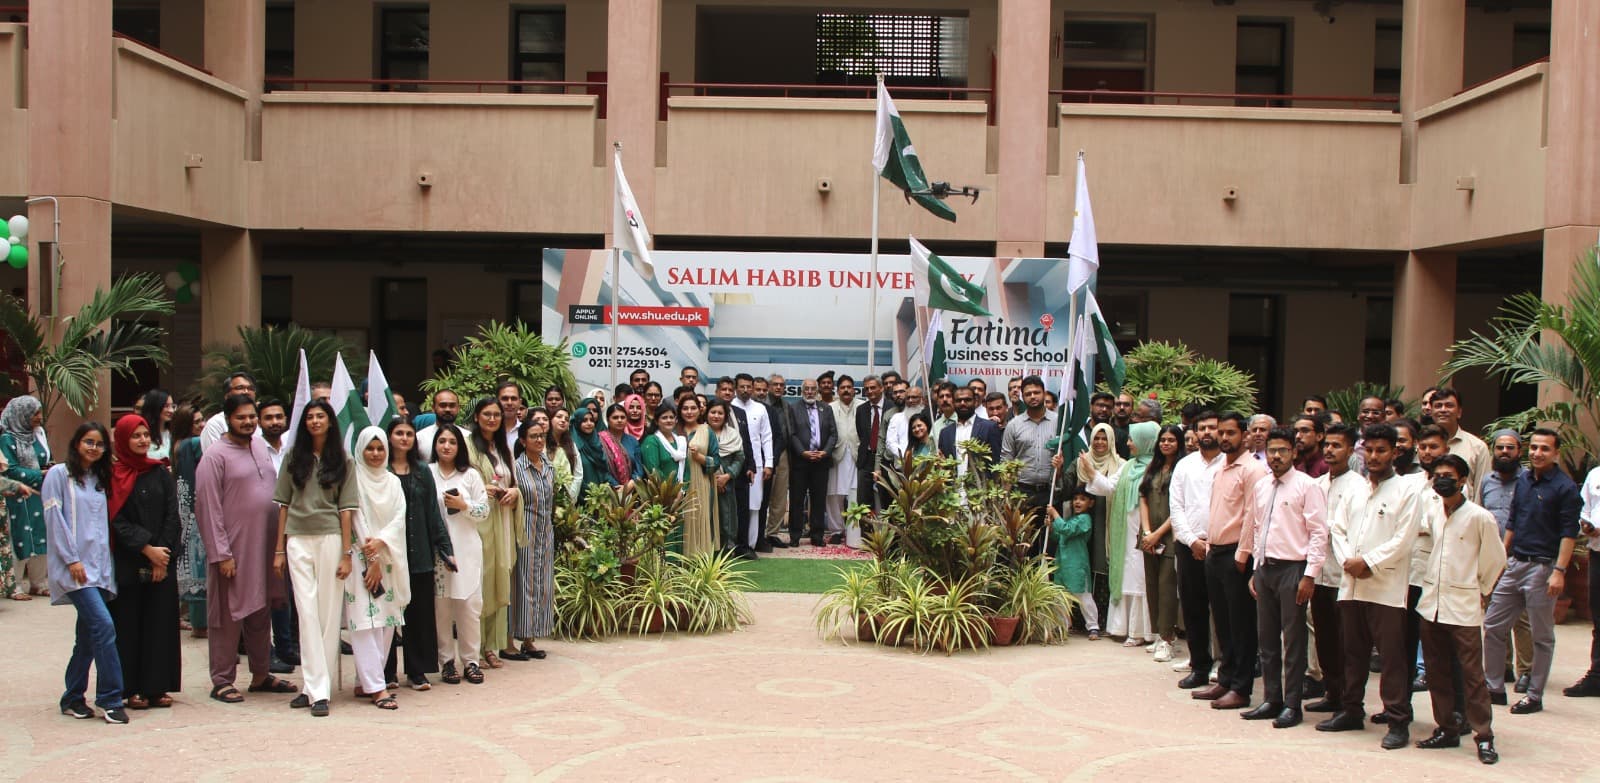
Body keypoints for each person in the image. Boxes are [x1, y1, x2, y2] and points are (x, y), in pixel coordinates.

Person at [1318, 423, 1423, 750]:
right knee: (1352, 652)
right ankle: (1351, 710)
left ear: (1394, 452)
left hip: (1386, 588)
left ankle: (1397, 721)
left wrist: (1368, 562)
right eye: (1370, 450)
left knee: (1392, 658)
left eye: (1381, 451)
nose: (1374, 457)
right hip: (1351, 584)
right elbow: (1338, 529)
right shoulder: (1355, 490)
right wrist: (1349, 561)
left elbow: (1404, 540)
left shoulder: (1407, 491)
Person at [196, 394, 296, 703]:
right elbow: (208, 508)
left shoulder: (259, 447)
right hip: (234, 551)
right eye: (241, 417)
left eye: (252, 416)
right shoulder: (214, 456)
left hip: (265, 547)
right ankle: (222, 679)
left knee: (260, 611)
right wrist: (221, 553)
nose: (249, 422)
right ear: (228, 419)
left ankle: (261, 674)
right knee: (228, 615)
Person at [1412, 454, 1503, 764]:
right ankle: (1447, 728)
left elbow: (1495, 560)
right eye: (1437, 475)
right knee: (1436, 671)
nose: (1442, 480)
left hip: (1463, 606)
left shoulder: (1480, 517)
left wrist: (1481, 589)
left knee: (1472, 675)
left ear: (1463, 480)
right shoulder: (1434, 512)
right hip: (1432, 605)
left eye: (1448, 475)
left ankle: (1484, 735)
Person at [1235, 427, 1327, 729]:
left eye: (1283, 450)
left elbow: (1318, 533)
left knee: (1294, 640)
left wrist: (1310, 575)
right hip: (1266, 569)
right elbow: (1258, 527)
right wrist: (1255, 568)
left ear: (1294, 453)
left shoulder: (1307, 486)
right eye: (1272, 450)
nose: (1276, 456)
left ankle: (1292, 704)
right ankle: (1271, 699)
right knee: (1267, 639)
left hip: (1293, 569)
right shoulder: (1262, 486)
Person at [1482, 427, 1578, 715]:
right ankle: (1493, 687)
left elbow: (1569, 533)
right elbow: (1513, 521)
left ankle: (1534, 695)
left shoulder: (1564, 488)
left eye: (1545, 448)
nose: (1538, 453)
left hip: (1543, 567)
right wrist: (1501, 559)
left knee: (1541, 635)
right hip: (1514, 563)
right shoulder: (1523, 479)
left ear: (1556, 453)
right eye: (1534, 447)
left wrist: (1559, 571)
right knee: (1493, 625)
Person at [272, 400, 358, 718]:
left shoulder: (344, 460)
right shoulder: (293, 458)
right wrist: (279, 550)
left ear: (330, 421)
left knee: (328, 613)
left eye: (320, 416)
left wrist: (347, 554)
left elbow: (346, 511)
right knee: (306, 613)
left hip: (331, 538)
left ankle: (318, 689)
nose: (315, 421)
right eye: (309, 417)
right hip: (297, 539)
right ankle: (314, 688)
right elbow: (283, 504)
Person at [46, 422, 127, 724]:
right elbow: (55, 519)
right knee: (104, 627)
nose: (94, 448)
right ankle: (110, 698)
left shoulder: (101, 479)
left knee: (88, 637)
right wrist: (71, 559)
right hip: (76, 570)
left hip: (101, 568)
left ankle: (72, 697)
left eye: (100, 444)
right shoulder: (59, 475)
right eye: (88, 442)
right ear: (77, 443)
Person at [1192, 412, 1268, 712]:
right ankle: (1225, 679)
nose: (1224, 437)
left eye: (1230, 433)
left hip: (1237, 554)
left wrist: (1243, 554)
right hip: (1216, 551)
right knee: (1222, 623)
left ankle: (1241, 687)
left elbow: (1252, 514)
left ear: (1245, 436)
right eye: (1221, 432)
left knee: (1241, 625)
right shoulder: (1221, 468)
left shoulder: (1252, 470)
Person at [107, 413, 183, 711]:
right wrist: (146, 548)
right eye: (135, 436)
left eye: (145, 435)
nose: (141, 440)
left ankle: (157, 686)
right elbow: (115, 519)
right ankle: (132, 688)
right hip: (129, 561)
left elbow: (172, 515)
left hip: (162, 561)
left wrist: (161, 556)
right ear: (122, 440)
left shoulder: (160, 472)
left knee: (160, 623)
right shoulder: (114, 476)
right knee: (129, 624)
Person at [382, 418, 455, 691]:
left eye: (409, 434)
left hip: (420, 552)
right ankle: (386, 672)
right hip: (389, 554)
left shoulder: (422, 470)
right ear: (389, 437)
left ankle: (417, 671)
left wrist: (446, 550)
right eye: (398, 433)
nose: (404, 438)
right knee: (388, 615)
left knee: (419, 614)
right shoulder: (381, 469)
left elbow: (433, 513)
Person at [342, 426, 408, 711]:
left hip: (389, 556)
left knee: (386, 621)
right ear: (360, 449)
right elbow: (355, 518)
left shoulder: (392, 481)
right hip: (361, 558)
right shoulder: (353, 479)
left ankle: (366, 680)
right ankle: (377, 687)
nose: (375, 453)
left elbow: (399, 516)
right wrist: (372, 557)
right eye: (370, 448)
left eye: (380, 448)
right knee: (364, 621)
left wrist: (382, 545)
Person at [1081, 422, 1159, 648]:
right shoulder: (1128, 467)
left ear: (1145, 441)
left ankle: (1146, 631)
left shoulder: (1157, 468)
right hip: (1125, 532)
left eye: (1133, 439)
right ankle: (1125, 629)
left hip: (1150, 532)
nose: (1129, 443)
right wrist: (1090, 470)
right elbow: (1108, 487)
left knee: (1144, 579)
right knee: (1128, 576)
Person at [1307, 423, 1366, 715]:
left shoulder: (1359, 486)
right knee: (1325, 637)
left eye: (1337, 445)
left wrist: (1325, 529)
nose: (1329, 450)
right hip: (1319, 573)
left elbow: (1354, 529)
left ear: (1351, 450)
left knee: (1347, 642)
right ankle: (1331, 692)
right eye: (1327, 445)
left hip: (1344, 575)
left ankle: (1350, 702)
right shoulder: (1317, 484)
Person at [463, 397, 524, 668]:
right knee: (483, 580)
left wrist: (515, 492)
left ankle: (492, 646)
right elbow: (460, 481)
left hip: (503, 520)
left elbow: (513, 481)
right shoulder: (467, 447)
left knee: (500, 577)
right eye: (486, 414)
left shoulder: (502, 448)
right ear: (477, 417)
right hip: (480, 523)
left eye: (496, 415)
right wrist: (481, 489)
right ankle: (474, 649)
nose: (492, 419)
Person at [430, 424, 489, 685]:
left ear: (460, 447)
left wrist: (463, 505)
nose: (446, 446)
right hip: (438, 552)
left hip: (467, 550)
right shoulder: (427, 472)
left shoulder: (471, 476)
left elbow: (484, 511)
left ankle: (471, 661)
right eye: (442, 441)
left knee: (469, 608)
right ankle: (446, 662)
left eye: (452, 442)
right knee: (441, 608)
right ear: (435, 445)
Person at [1169, 411, 1223, 684]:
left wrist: (1213, 541)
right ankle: (1199, 666)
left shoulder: (1230, 464)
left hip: (1221, 547)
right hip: (1189, 546)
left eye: (1212, 427)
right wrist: (1192, 540)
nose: (1207, 432)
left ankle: (1224, 665)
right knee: (1193, 608)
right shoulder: (1185, 465)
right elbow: (1176, 507)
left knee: (1223, 609)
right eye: (1202, 428)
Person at [1138, 424, 1185, 662]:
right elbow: (1143, 498)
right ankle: (1159, 634)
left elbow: (1179, 508)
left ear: (1179, 443)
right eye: (1163, 440)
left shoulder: (1182, 469)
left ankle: (1168, 639)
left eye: (1171, 440)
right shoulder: (1153, 467)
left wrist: (1157, 534)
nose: (1166, 444)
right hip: (1149, 536)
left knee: (1167, 587)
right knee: (1152, 586)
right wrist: (1147, 531)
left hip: (1169, 536)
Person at [512, 423, 556, 660]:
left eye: (542, 436)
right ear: (523, 441)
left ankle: (530, 640)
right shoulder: (517, 467)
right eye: (533, 436)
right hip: (525, 530)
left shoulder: (549, 466)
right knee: (524, 583)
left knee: (542, 583)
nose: (539, 440)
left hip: (545, 532)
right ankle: (516, 635)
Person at [2, 394, 50, 598]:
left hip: (38, 494)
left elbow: (44, 460)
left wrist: (48, 471)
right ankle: (15, 586)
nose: (39, 417)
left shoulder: (38, 435)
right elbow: (10, 470)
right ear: (21, 414)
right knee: (19, 536)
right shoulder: (7, 439)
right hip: (15, 495)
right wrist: (40, 474)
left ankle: (38, 583)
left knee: (40, 534)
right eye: (34, 413)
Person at [999, 376, 1061, 525]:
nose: (1033, 396)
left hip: (1050, 492)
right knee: (1024, 538)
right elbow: (1006, 461)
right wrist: (1005, 497)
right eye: (1028, 394)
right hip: (1022, 493)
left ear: (1044, 393)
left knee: (1049, 536)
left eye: (1036, 392)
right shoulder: (1013, 425)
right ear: (1023, 396)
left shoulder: (1059, 422)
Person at [786, 378, 836, 548]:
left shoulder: (826, 408)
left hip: (821, 462)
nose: (809, 392)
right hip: (800, 462)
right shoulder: (793, 408)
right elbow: (791, 434)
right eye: (806, 389)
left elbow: (833, 434)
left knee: (819, 501)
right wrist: (803, 452)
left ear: (817, 391)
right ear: (802, 391)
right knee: (797, 500)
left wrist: (825, 452)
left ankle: (817, 536)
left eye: (813, 389)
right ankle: (795, 536)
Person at [690, 399, 743, 551]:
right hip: (704, 480)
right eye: (713, 412)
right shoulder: (699, 432)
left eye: (720, 413)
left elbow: (740, 458)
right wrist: (714, 478)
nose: (716, 416)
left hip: (726, 484)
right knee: (707, 516)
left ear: (726, 416)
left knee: (727, 517)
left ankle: (727, 551)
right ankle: (707, 552)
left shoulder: (733, 434)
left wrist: (727, 476)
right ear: (706, 413)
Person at [1052, 491, 1101, 640]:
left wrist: (1055, 515)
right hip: (1063, 563)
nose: (1077, 502)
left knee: (1083, 595)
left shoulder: (1085, 519)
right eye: (1075, 499)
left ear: (1091, 503)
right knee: (1061, 596)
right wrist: (1051, 527)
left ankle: (1093, 626)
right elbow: (1059, 535)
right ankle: (1063, 625)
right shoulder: (1071, 519)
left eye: (1082, 499)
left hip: (1076, 563)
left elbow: (1067, 529)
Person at [1429, 388, 1491, 501]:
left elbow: (1481, 489)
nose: (1443, 410)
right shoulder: (1421, 446)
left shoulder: (1477, 447)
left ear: (1459, 412)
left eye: (1449, 405)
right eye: (1438, 406)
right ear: (1431, 412)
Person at [937, 385, 1002, 478]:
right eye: (958, 400)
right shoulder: (945, 433)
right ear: (953, 403)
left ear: (975, 401)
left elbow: (996, 462)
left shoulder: (989, 427)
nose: (963, 403)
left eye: (967, 400)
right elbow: (943, 464)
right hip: (954, 486)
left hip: (982, 485)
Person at [825, 375, 860, 545]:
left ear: (854, 390)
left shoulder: (862, 406)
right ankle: (837, 530)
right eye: (842, 387)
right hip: (836, 455)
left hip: (856, 454)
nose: (846, 390)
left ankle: (854, 529)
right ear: (837, 391)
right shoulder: (829, 408)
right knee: (833, 493)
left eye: (849, 387)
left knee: (855, 492)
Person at [760, 375, 791, 547]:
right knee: (762, 495)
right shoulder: (760, 404)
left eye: (781, 385)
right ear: (769, 387)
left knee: (779, 496)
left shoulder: (786, 406)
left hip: (783, 454)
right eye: (775, 384)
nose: (779, 387)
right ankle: (758, 533)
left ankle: (772, 533)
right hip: (763, 454)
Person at [855, 375, 889, 514]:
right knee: (863, 503)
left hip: (886, 460)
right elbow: (861, 434)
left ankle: (890, 528)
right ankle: (866, 528)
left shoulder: (892, 407)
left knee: (887, 499)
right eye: (867, 388)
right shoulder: (861, 409)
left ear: (881, 388)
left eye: (873, 387)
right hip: (866, 459)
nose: (869, 391)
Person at [200, 373, 258, 449]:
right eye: (240, 388)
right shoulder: (215, 424)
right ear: (227, 395)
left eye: (250, 388)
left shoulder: (261, 419)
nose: (246, 392)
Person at [598, 403, 644, 490]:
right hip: (608, 489)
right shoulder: (600, 440)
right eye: (615, 417)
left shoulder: (632, 441)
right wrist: (617, 487)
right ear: (608, 420)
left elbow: (639, 469)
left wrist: (629, 486)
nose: (619, 420)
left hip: (632, 489)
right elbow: (601, 469)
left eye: (623, 417)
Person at [641, 406, 688, 484]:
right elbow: (653, 471)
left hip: (682, 489)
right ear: (656, 421)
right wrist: (670, 489)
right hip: (661, 489)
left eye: (671, 417)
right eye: (664, 418)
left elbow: (687, 468)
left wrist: (683, 488)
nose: (669, 420)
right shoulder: (651, 441)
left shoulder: (681, 441)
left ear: (676, 420)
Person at [571, 407, 608, 503]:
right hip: (581, 499)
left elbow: (604, 469)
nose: (589, 423)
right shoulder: (573, 446)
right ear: (577, 423)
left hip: (601, 497)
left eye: (591, 420)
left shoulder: (597, 442)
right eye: (584, 420)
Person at [416, 390, 460, 462]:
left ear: (458, 408)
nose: (447, 409)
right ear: (433, 408)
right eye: (443, 405)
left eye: (452, 405)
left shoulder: (468, 437)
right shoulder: (419, 438)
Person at [885, 385, 927, 461]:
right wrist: (905, 454)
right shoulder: (896, 418)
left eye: (914, 397)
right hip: (902, 462)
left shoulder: (928, 416)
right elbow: (890, 442)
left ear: (922, 399)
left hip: (925, 460)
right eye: (908, 398)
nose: (910, 400)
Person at [137, 389, 176, 462]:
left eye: (173, 406)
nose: (171, 410)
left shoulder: (173, 433)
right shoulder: (142, 434)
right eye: (166, 406)